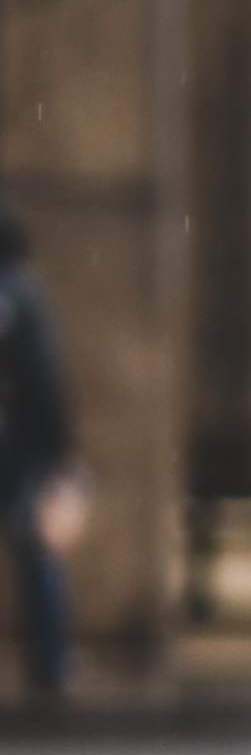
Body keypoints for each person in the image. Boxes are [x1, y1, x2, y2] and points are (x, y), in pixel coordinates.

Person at [0, 197, 75, 698]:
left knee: (37, 552)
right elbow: (48, 380)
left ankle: (50, 662)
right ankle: (50, 663)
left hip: (17, 444)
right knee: (38, 552)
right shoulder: (25, 297)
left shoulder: (16, 298)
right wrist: (59, 452)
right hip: (23, 446)